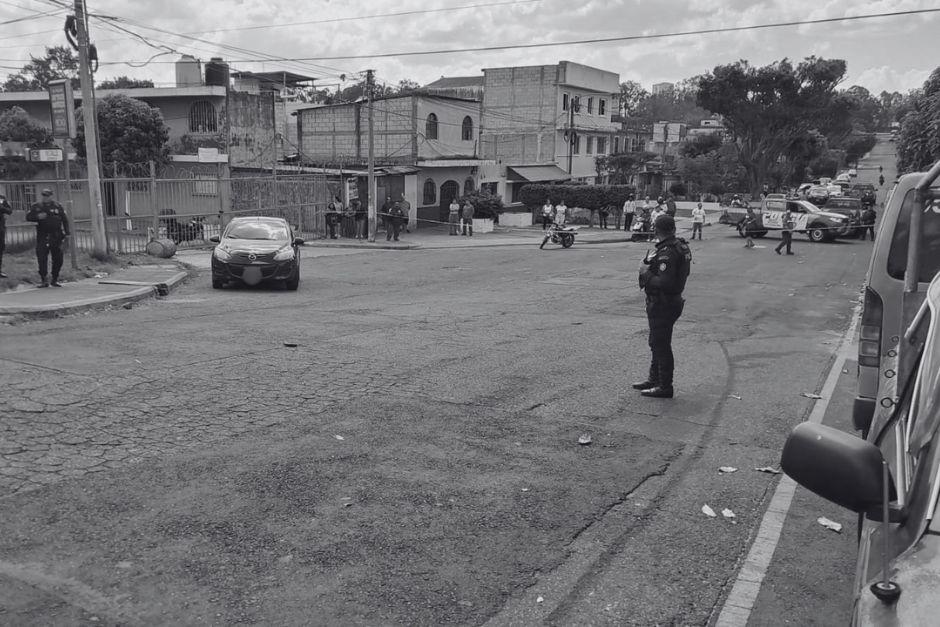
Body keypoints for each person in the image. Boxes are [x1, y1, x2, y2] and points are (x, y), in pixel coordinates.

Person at [634, 214, 691, 398]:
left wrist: (645, 272)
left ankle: (665, 386)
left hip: (664, 302)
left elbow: (664, 282)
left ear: (657, 230)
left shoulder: (667, 252)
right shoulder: (678, 246)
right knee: (656, 342)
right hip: (667, 301)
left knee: (661, 345)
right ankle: (654, 379)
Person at [26, 188, 70, 288]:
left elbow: (65, 220)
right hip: (43, 235)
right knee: (42, 258)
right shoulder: (37, 206)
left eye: (47, 195)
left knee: (58, 259)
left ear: (51, 196)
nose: (45, 197)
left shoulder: (58, 206)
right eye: (44, 195)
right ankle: (44, 279)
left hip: (56, 236)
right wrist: (38, 217)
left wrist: (68, 234)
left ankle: (54, 279)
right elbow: (28, 217)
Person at [0, 193, 12, 278]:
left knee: (0, 248)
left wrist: (1, 208)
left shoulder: (2, 198)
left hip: (0, 228)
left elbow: (9, 210)